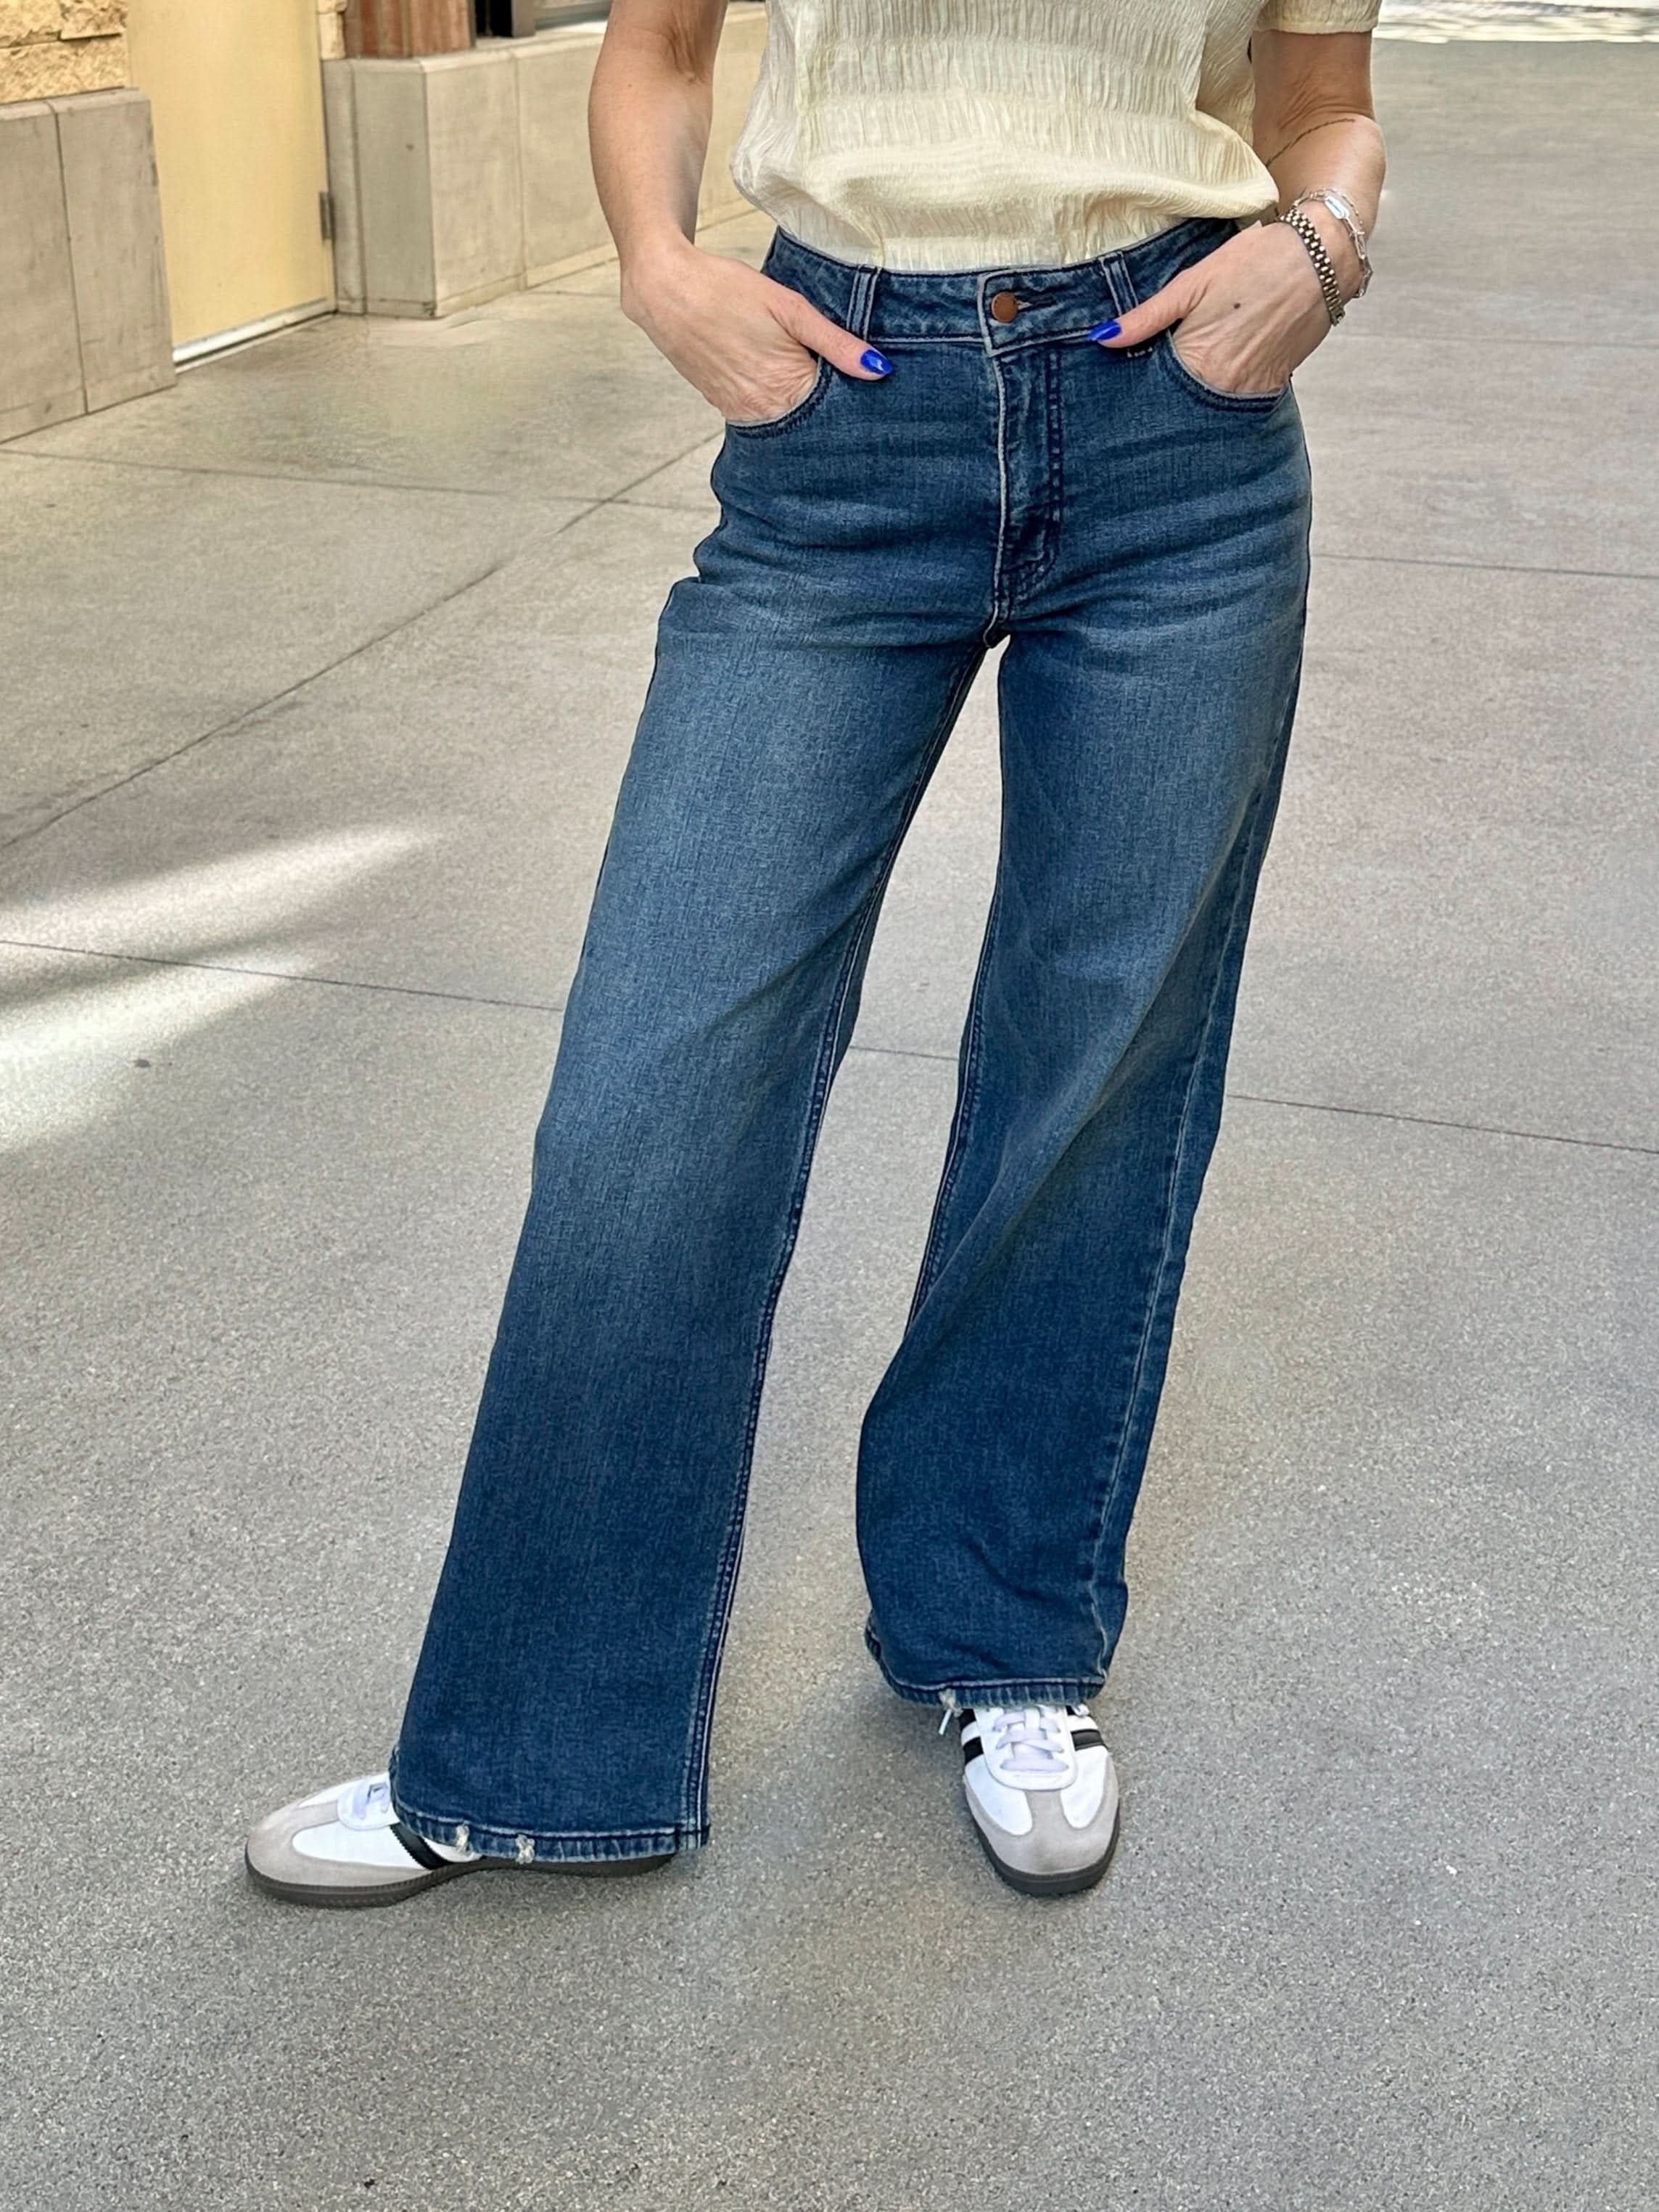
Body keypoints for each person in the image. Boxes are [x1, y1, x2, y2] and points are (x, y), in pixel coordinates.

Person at [247, 0, 1385, 1905]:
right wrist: (659, 269)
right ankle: (531, 1746)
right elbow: (662, 45)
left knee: (1096, 1070)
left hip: (1179, 431)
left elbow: (1330, 102)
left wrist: (1322, 251)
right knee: (653, 1089)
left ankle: (1003, 1636)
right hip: (846, 416)